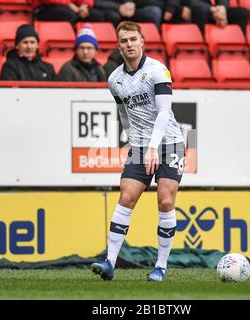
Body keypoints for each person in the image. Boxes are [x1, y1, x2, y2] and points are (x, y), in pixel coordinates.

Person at [91, 21, 185, 282]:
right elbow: (123, 112)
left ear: (142, 41)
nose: (129, 44)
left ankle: (161, 267)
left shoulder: (157, 70)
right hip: (141, 146)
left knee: (166, 201)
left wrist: (153, 146)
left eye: (133, 39)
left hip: (170, 143)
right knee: (126, 196)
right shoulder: (115, 80)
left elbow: (165, 112)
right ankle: (110, 262)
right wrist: (132, 140)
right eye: (124, 41)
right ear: (118, 45)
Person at [94, 0, 163, 29]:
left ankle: (153, 46)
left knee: (154, 12)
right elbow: (94, 2)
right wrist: (118, 7)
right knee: (113, 16)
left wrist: (130, 3)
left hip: (131, 9)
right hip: (111, 10)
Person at [34, 0, 104, 23]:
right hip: (45, 8)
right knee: (69, 15)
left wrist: (84, 5)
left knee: (96, 15)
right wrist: (69, 4)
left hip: (72, 8)